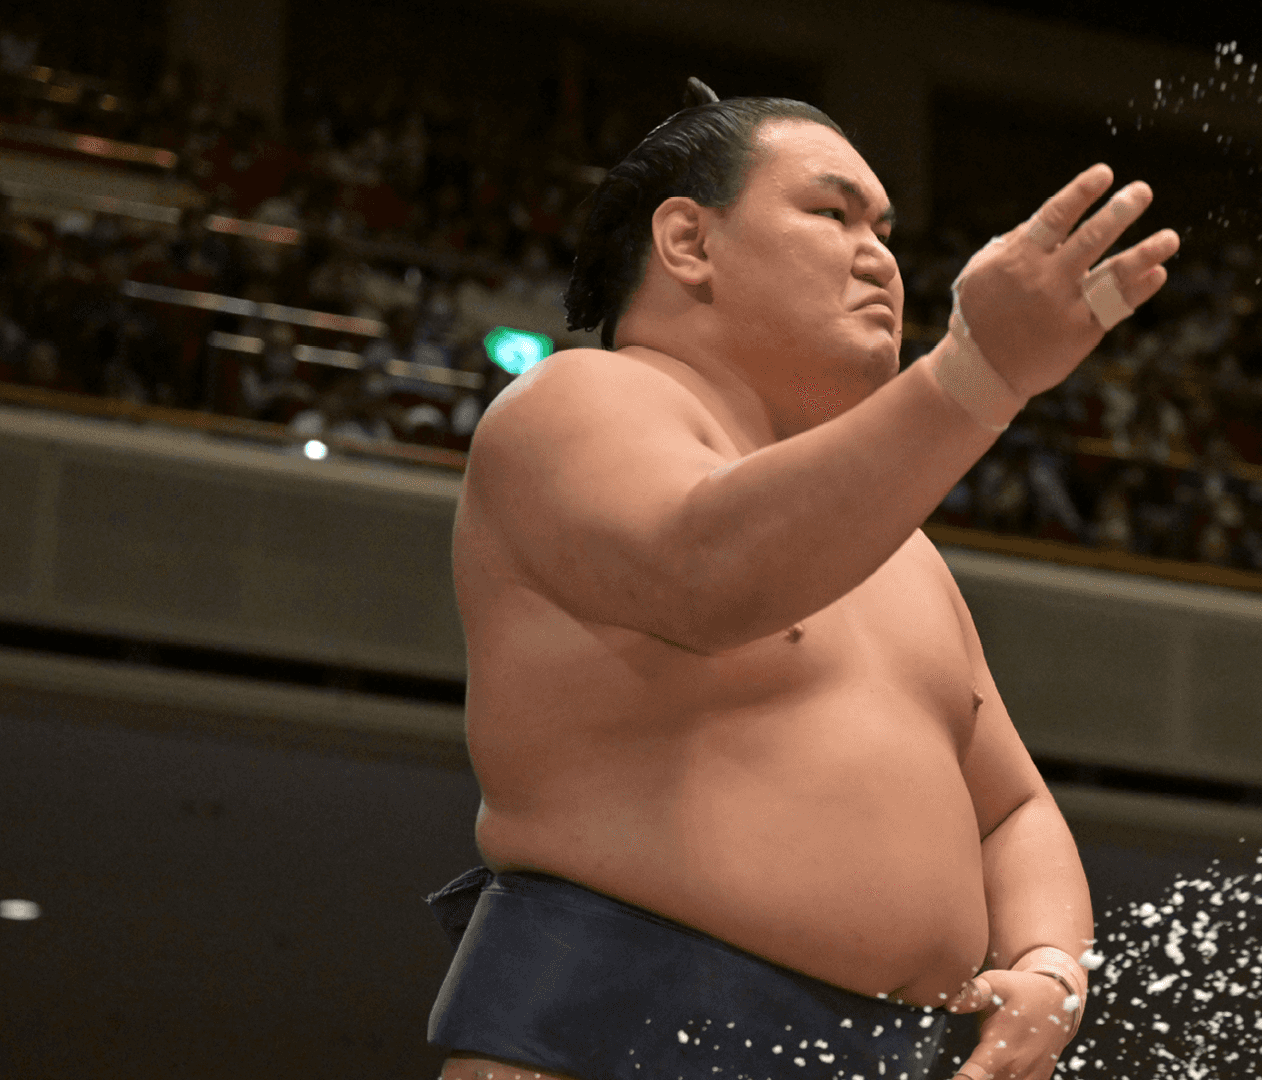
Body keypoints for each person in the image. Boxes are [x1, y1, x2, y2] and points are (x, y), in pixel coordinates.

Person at [427, 78, 1178, 1080]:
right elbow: (708, 571)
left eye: (886, 231)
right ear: (689, 241)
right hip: (608, 1039)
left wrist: (1049, 967)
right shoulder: (574, 402)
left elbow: (1010, 810)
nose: (879, 255)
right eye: (833, 213)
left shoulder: (899, 548)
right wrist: (976, 376)